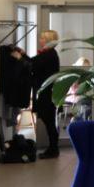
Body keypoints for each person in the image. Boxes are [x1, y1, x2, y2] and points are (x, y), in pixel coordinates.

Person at [30, 30, 61, 159]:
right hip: (47, 92)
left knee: (49, 121)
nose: (40, 40)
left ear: (48, 40)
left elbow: (33, 64)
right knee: (49, 121)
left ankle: (53, 149)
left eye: (43, 38)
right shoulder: (49, 53)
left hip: (47, 93)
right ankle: (53, 148)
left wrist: (21, 58)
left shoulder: (49, 54)